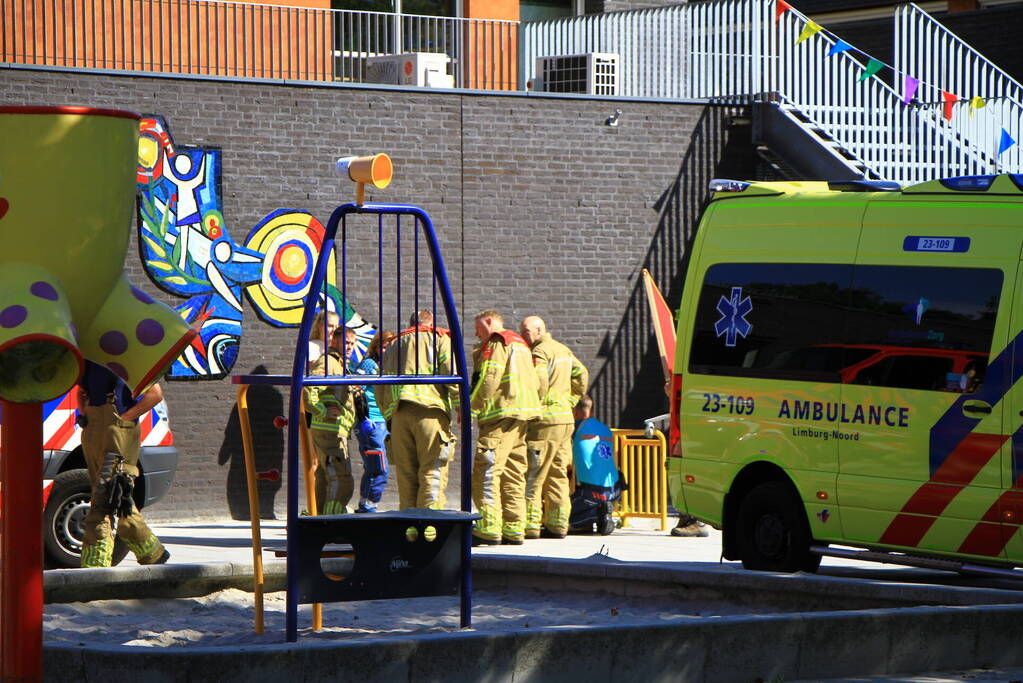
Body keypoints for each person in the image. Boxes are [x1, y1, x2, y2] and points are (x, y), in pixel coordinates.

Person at [77, 361, 169, 567]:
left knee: (107, 494)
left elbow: (155, 394)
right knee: (111, 495)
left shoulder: (128, 359)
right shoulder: (90, 359)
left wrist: (123, 418)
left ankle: (95, 566)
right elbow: (81, 392)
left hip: (118, 430)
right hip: (93, 428)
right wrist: (86, 414)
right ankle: (152, 552)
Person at [470, 310, 541, 546]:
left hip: (500, 416)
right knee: (514, 473)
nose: (477, 334)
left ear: (489, 322)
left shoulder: (498, 341)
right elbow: (536, 381)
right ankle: (514, 528)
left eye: (478, 329)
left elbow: (489, 378)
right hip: (521, 417)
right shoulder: (521, 343)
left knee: (487, 471)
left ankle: (488, 528)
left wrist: (471, 407)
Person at [376, 310, 459, 510]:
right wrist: (461, 407)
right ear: (430, 322)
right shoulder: (439, 338)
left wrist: (388, 415)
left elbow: (380, 387)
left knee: (406, 476)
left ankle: (410, 524)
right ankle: (431, 523)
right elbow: (452, 374)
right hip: (430, 412)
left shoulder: (393, 344)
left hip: (399, 415)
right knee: (432, 471)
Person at [520, 315, 588, 539]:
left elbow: (538, 384)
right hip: (565, 421)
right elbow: (582, 374)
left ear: (539, 330)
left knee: (534, 474)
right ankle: (558, 524)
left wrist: (533, 407)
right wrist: (571, 400)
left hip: (545, 422)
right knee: (558, 474)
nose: (523, 335)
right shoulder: (563, 350)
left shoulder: (539, 352)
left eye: (526, 331)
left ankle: (530, 525)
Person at [305, 325, 356, 515]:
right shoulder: (328, 362)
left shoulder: (340, 364)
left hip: (333, 429)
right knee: (341, 477)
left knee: (325, 475)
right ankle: (333, 519)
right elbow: (309, 389)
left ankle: (318, 516)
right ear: (334, 340)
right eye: (346, 342)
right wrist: (322, 411)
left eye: (352, 343)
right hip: (330, 429)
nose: (349, 347)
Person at [352, 329, 396, 513]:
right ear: (376, 347)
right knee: (378, 468)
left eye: (390, 347)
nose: (387, 350)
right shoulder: (370, 364)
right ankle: (368, 507)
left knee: (375, 467)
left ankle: (367, 505)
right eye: (384, 346)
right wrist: (363, 418)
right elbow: (356, 390)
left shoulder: (390, 366)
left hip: (383, 422)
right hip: (372, 423)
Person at [569, 395, 625, 535]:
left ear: (575, 411)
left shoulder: (575, 427)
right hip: (614, 489)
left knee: (564, 519)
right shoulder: (605, 429)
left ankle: (597, 514)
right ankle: (602, 515)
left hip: (590, 492)